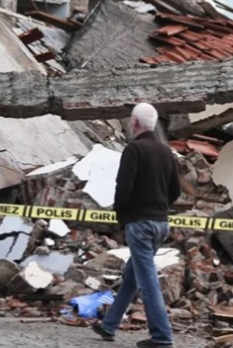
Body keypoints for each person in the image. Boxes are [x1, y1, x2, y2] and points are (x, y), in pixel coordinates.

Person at [92, 103, 181, 347]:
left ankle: (162, 337)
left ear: (133, 123)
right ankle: (109, 325)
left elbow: (123, 188)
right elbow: (176, 190)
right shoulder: (167, 153)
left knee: (147, 279)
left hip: (140, 224)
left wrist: (122, 214)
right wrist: (160, 206)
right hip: (161, 224)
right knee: (133, 274)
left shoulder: (134, 150)